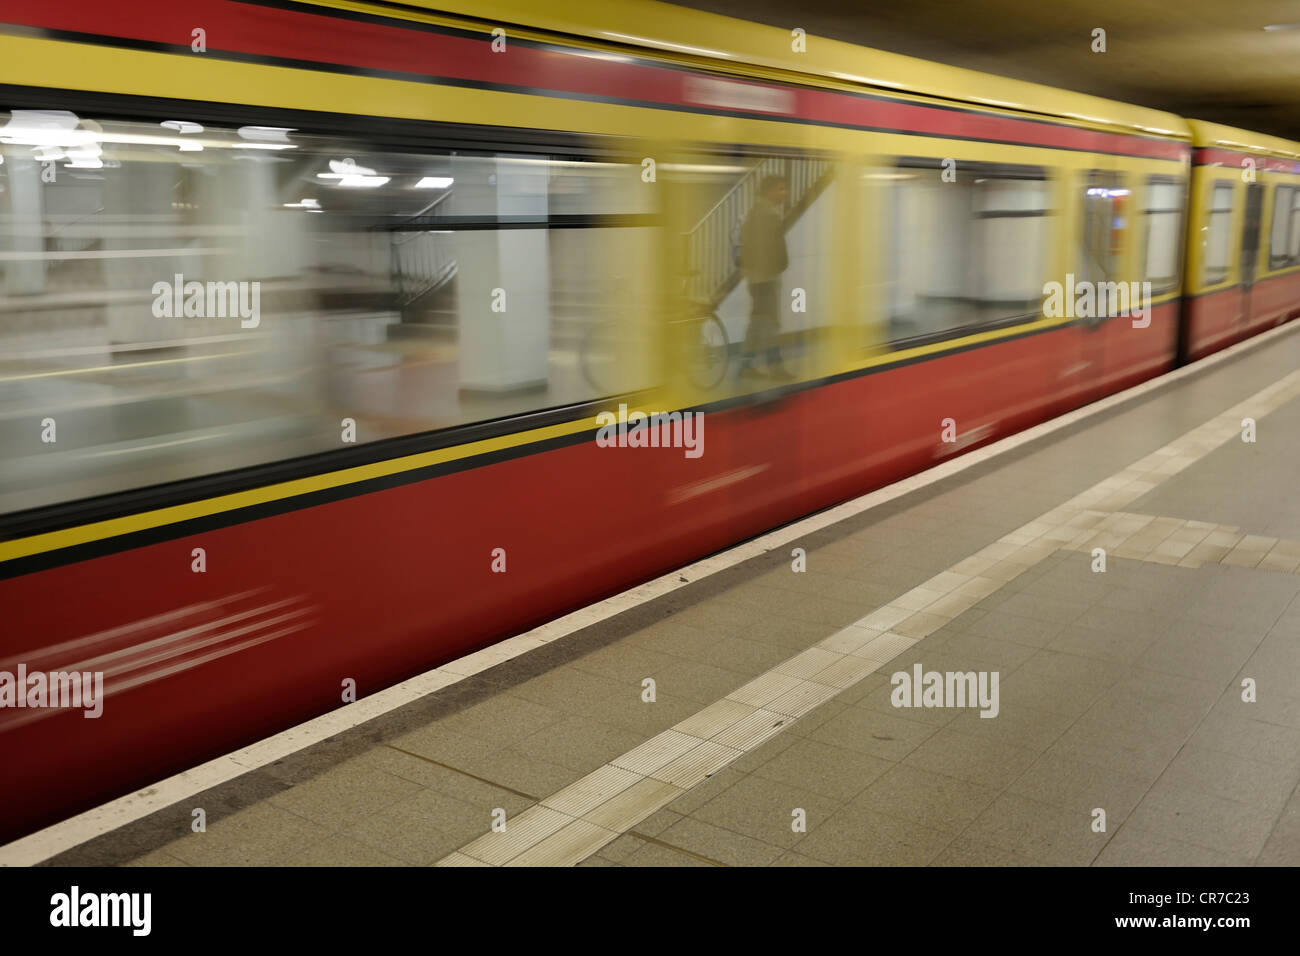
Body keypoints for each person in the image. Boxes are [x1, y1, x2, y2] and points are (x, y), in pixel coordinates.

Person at [738, 174, 794, 382]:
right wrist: (780, 265)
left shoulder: (756, 212)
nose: (785, 193)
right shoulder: (766, 214)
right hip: (765, 278)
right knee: (771, 323)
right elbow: (770, 247)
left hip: (757, 278)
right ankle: (776, 367)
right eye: (781, 189)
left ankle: (745, 366)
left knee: (757, 323)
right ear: (769, 191)